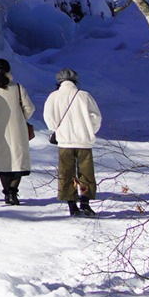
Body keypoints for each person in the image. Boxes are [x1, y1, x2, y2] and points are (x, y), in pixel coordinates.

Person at [43, 67, 103, 216]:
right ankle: (85, 203)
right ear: (75, 80)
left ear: (59, 81)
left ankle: (72, 205)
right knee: (86, 174)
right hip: (84, 141)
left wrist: (56, 130)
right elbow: (96, 117)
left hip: (65, 142)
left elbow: (49, 118)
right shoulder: (84, 95)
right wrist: (90, 131)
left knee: (66, 173)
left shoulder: (53, 97)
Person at [0, 58, 35, 205]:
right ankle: (13, 192)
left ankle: (7, 192)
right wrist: (22, 117)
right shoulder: (18, 87)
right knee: (18, 163)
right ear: (9, 70)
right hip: (18, 129)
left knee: (2, 164)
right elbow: (29, 108)